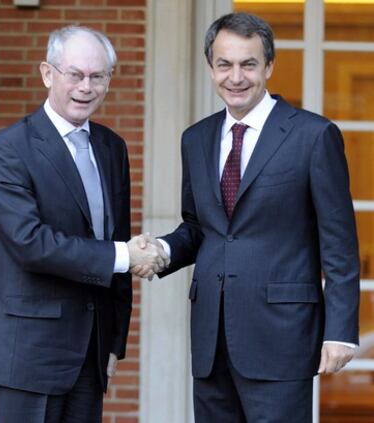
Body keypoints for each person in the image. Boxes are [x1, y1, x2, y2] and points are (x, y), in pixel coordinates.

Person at [134, 12, 360, 422]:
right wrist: (164, 250)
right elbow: (200, 227)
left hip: (281, 335)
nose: (235, 77)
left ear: (269, 66)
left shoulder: (313, 136)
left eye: (248, 64)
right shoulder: (196, 139)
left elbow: (340, 243)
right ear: (211, 68)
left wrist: (341, 330)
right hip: (210, 338)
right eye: (224, 64)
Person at [0, 25, 168, 423]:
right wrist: (127, 254)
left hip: (90, 356)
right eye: (75, 74)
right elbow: (30, 243)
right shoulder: (6, 150)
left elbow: (115, 241)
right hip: (28, 356)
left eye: (98, 76)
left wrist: (114, 340)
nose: (86, 87)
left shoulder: (112, 148)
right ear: (48, 74)